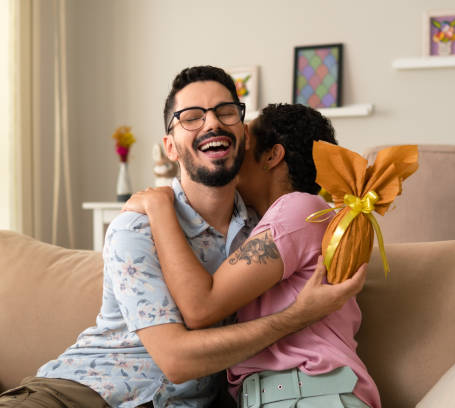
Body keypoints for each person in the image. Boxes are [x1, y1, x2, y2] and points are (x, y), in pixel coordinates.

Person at [0, 66, 366, 408]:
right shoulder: (137, 226)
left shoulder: (264, 227)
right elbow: (177, 359)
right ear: (170, 147)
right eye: (192, 117)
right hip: (80, 393)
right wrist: (294, 317)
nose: (212, 123)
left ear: (244, 137)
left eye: (226, 112)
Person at [123, 103, 380, 407]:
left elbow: (200, 306)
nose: (230, 155)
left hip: (312, 393)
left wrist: (160, 206)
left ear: (272, 155)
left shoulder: (300, 209)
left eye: (243, 144)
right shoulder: (267, 223)